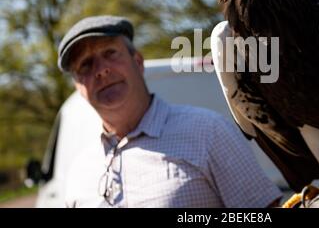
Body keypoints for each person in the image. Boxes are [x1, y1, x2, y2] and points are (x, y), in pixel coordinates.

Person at [57, 15, 282, 208]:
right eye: (85, 65)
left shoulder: (209, 132)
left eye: (110, 53)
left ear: (138, 62)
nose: (101, 70)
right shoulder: (79, 171)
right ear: (78, 86)